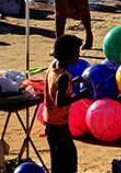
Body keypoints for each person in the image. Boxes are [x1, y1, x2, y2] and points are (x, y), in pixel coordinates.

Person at [43, 35, 86, 173]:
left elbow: (55, 89)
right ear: (68, 55)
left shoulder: (53, 67)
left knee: (58, 157)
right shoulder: (63, 77)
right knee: (67, 158)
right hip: (58, 124)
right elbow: (60, 102)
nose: (78, 56)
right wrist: (79, 96)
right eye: (77, 53)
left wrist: (72, 83)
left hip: (51, 120)